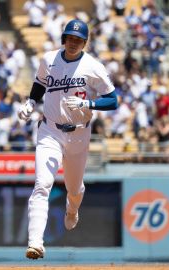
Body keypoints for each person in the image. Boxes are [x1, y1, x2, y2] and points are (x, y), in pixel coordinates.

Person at [17, 19, 119, 260]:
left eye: (78, 40)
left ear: (85, 43)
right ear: (63, 39)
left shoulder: (93, 67)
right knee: (42, 184)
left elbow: (113, 100)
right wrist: (31, 101)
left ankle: (72, 209)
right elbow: (40, 83)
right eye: (70, 38)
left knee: (74, 189)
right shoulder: (48, 59)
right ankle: (35, 243)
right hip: (49, 131)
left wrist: (88, 103)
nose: (73, 43)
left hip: (78, 134)